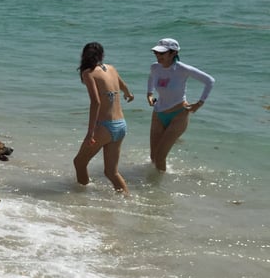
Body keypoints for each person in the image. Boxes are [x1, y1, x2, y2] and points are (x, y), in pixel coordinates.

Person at [72, 42, 134, 194]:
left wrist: (90, 132)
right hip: (121, 125)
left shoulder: (88, 73)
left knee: (79, 162)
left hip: (105, 127)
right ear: (101, 55)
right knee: (111, 172)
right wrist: (128, 94)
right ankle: (128, 199)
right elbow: (123, 86)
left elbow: (96, 102)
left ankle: (82, 198)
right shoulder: (111, 68)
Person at [146, 38, 215, 172]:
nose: (158, 56)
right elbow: (151, 77)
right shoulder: (155, 67)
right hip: (158, 113)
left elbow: (209, 81)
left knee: (160, 157)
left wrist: (199, 103)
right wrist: (149, 94)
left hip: (178, 115)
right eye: (156, 53)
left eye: (162, 53)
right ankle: (154, 185)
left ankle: (159, 190)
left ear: (173, 53)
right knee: (153, 156)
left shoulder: (183, 69)